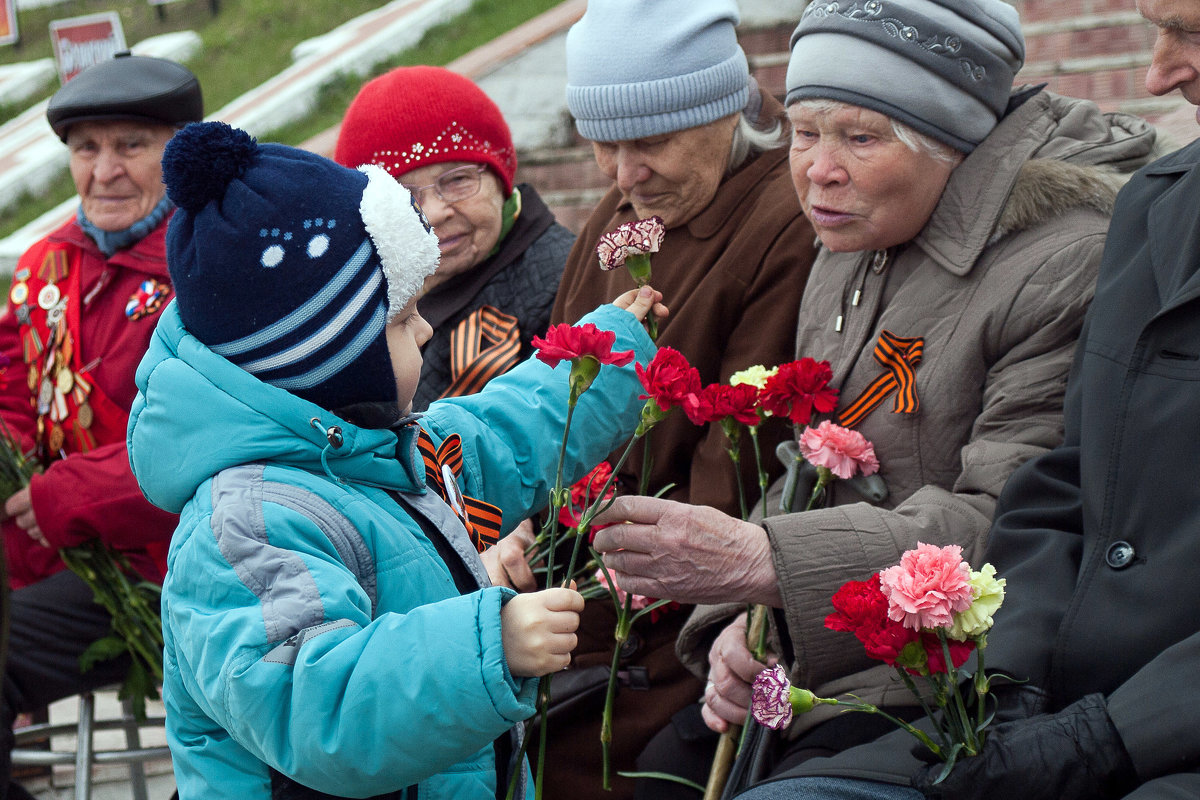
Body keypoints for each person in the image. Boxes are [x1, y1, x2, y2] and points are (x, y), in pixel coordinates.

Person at [588, 0, 1159, 794]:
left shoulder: (1061, 263)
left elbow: (1012, 519)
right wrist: (740, 627)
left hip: (951, 683)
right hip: (821, 650)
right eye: (803, 129)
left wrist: (765, 568)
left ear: (955, 141)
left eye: (860, 136)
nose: (815, 169)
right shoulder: (852, 233)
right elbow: (807, 461)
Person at [126, 120, 665, 800]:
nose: (427, 327)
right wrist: (488, 646)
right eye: (403, 319)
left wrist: (608, 354)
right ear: (325, 359)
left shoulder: (375, 453)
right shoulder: (244, 526)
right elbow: (318, 706)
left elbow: (501, 432)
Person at [542, 2, 818, 794]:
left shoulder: (782, 221)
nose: (625, 175)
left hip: (675, 619)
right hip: (585, 575)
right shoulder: (631, 212)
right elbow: (554, 392)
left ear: (724, 110)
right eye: (604, 145)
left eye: (652, 142)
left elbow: (729, 486)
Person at [0, 53, 202, 800]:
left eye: (131, 145)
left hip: (179, 566)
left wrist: (67, 498)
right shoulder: (49, 262)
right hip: (66, 563)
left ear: (178, 150)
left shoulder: (208, 260)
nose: (106, 169)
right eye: (87, 148)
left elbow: (206, 440)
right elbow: (13, 392)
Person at [333, 65, 575, 412]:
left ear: (500, 178)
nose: (433, 213)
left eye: (457, 180)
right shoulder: (362, 300)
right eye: (403, 195)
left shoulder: (561, 288)